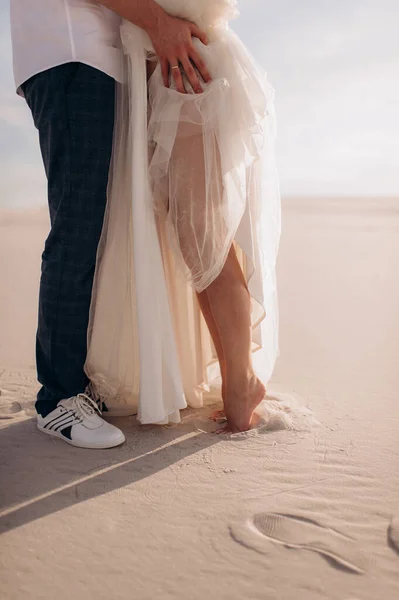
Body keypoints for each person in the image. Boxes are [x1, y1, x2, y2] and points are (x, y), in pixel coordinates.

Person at [9, 0, 214, 448]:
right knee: (78, 226)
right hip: (70, 54)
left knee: (98, 228)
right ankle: (59, 398)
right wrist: (159, 24)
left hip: (97, 58)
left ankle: (75, 386)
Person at [84, 1, 281, 433]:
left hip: (186, 71)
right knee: (196, 243)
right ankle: (237, 378)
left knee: (205, 236)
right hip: (169, 72)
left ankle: (242, 382)